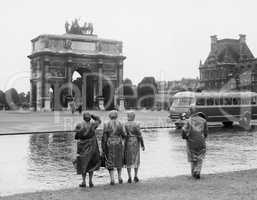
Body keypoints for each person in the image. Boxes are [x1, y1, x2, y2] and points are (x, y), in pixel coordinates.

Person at [74, 112, 101, 188]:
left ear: (83, 117)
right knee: (91, 163)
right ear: (89, 118)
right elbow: (99, 120)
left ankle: (83, 181)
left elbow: (76, 136)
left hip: (83, 146)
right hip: (92, 145)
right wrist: (93, 115)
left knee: (83, 163)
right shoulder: (93, 124)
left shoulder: (79, 125)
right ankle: (90, 181)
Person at [182, 108, 208, 179]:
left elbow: (183, 130)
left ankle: (194, 173)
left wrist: (185, 137)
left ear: (191, 112)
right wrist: (203, 137)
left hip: (191, 142)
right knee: (200, 157)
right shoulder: (204, 120)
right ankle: (198, 171)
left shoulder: (189, 120)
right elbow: (206, 133)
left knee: (193, 158)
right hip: (201, 142)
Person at [102, 110, 126, 185]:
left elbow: (105, 137)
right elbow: (124, 135)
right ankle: (119, 177)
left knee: (110, 160)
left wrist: (104, 147)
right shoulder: (120, 123)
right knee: (119, 159)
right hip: (118, 142)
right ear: (117, 116)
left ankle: (112, 179)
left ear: (109, 116)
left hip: (110, 143)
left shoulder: (106, 124)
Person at [124, 111, 145, 183]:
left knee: (128, 159)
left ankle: (129, 177)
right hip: (135, 142)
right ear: (134, 116)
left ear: (128, 116)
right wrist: (142, 145)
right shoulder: (137, 124)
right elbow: (139, 135)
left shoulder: (125, 124)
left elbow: (124, 135)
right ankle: (135, 176)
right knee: (136, 158)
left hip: (128, 142)